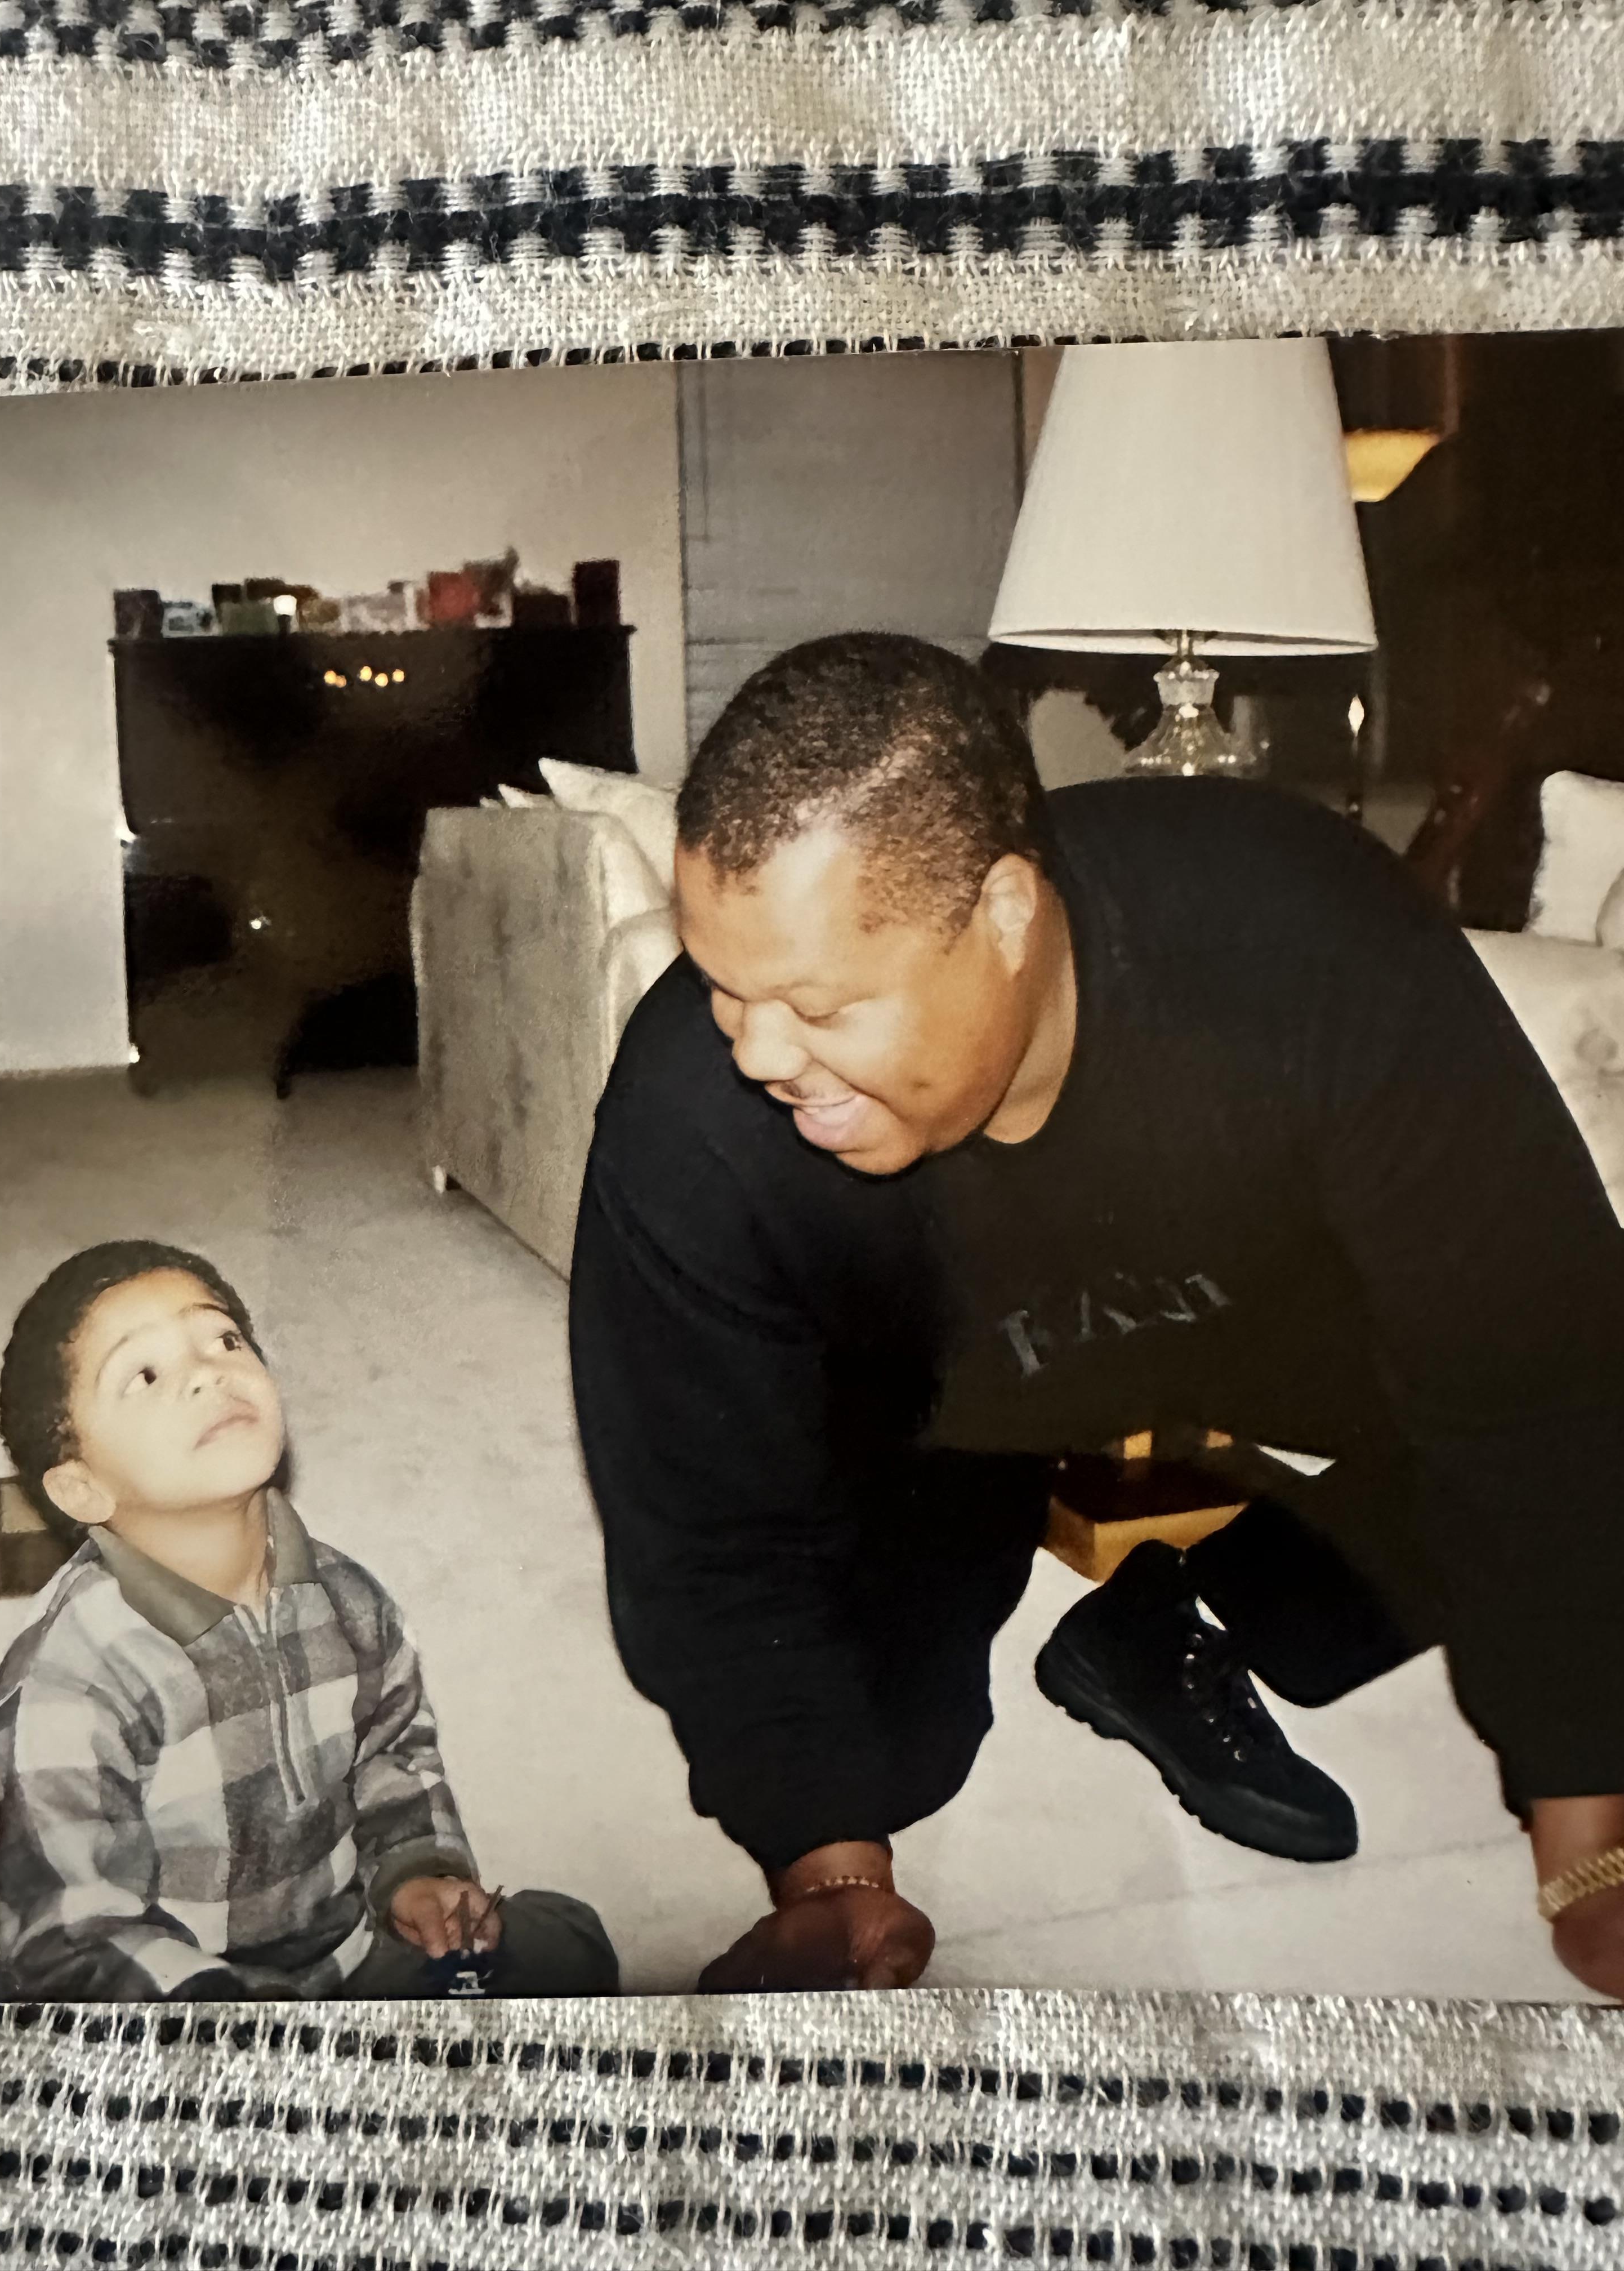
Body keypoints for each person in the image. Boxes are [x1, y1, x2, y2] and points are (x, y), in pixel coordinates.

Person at [569, 631, 1624, 2000]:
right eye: (724, 985)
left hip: (1262, 1297)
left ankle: (1203, 1616)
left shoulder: (1305, 937)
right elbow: (706, 1535)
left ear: (1009, 916)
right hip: (932, 1397)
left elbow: (1536, 1377)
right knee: (887, 1749)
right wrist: (830, 1874)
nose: (760, 1053)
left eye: (818, 1005)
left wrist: (1585, 1829)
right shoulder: (689, 1120)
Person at [0, 1239, 617, 2003]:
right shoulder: (68, 1687)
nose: (209, 1372)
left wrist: (418, 1873)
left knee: (570, 1944)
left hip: (350, 1951)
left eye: (224, 1340)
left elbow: (391, 1752)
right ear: (82, 1489)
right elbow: (73, 1941)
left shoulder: (348, 1599)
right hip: (191, 2007)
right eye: (145, 1375)